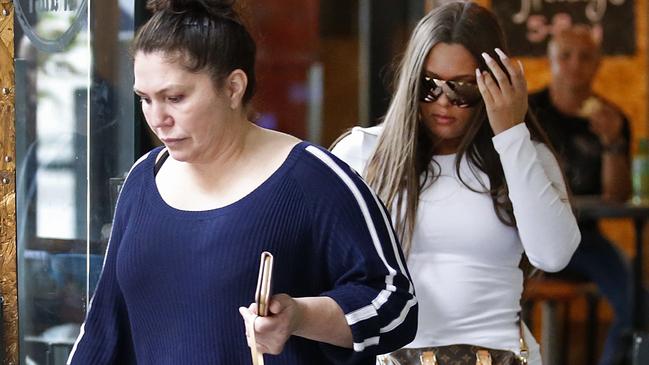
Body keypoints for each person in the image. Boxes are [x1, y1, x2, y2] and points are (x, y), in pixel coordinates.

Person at [67, 0, 418, 364]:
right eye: (145, 99)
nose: (158, 119)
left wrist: (300, 316)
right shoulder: (143, 179)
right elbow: (104, 328)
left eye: (175, 98)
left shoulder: (313, 179)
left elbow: (397, 306)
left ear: (234, 87)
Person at [332, 2, 580, 364]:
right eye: (429, 86)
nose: (443, 103)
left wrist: (510, 133)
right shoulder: (363, 152)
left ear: (493, 85)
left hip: (500, 354)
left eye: (463, 89)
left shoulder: (522, 155)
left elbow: (554, 255)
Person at [529, 25, 632, 365]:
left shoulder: (612, 118)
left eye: (585, 57)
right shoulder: (528, 113)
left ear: (598, 64)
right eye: (565, 56)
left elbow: (617, 197)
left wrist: (612, 142)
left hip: (584, 241)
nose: (575, 65)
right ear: (551, 61)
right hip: (527, 240)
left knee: (635, 303)